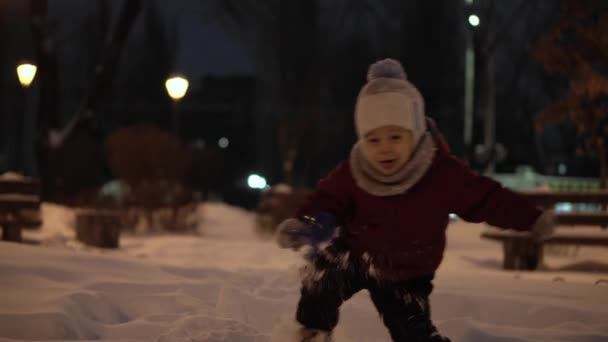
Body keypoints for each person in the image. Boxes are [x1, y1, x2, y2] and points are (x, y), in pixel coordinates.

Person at [275, 58, 555, 342]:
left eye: (395, 136)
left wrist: (531, 218)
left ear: (416, 132)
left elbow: (486, 198)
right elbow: (327, 199)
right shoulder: (355, 171)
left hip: (406, 273)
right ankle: (311, 333)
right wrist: (304, 224)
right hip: (357, 254)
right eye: (373, 140)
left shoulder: (439, 173)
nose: (385, 148)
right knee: (320, 279)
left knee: (412, 333)